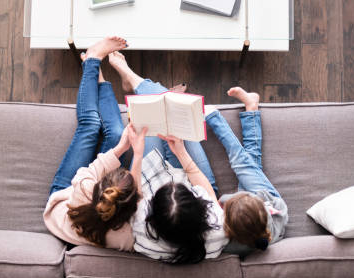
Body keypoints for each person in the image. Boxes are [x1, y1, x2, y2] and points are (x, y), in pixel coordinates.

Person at [107, 51, 227, 263]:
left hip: (151, 178)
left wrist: (137, 152)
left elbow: (135, 196)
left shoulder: (144, 234)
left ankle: (131, 77)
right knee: (172, 109)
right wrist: (180, 152)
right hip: (197, 180)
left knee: (149, 116)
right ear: (200, 209)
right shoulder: (218, 231)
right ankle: (139, 83)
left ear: (152, 216)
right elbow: (210, 196)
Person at [44, 37, 147, 251]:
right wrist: (129, 149)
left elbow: (134, 194)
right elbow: (137, 200)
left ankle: (92, 60)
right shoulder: (127, 237)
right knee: (117, 132)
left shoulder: (83, 187)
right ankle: (99, 79)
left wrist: (123, 150)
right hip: (88, 208)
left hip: (64, 199)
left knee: (91, 126)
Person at [206, 87, 288, 256]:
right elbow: (224, 200)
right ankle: (214, 119)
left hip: (249, 209)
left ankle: (252, 106)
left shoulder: (232, 246)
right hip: (267, 197)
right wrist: (260, 199)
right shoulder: (278, 213)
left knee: (252, 158)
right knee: (241, 163)